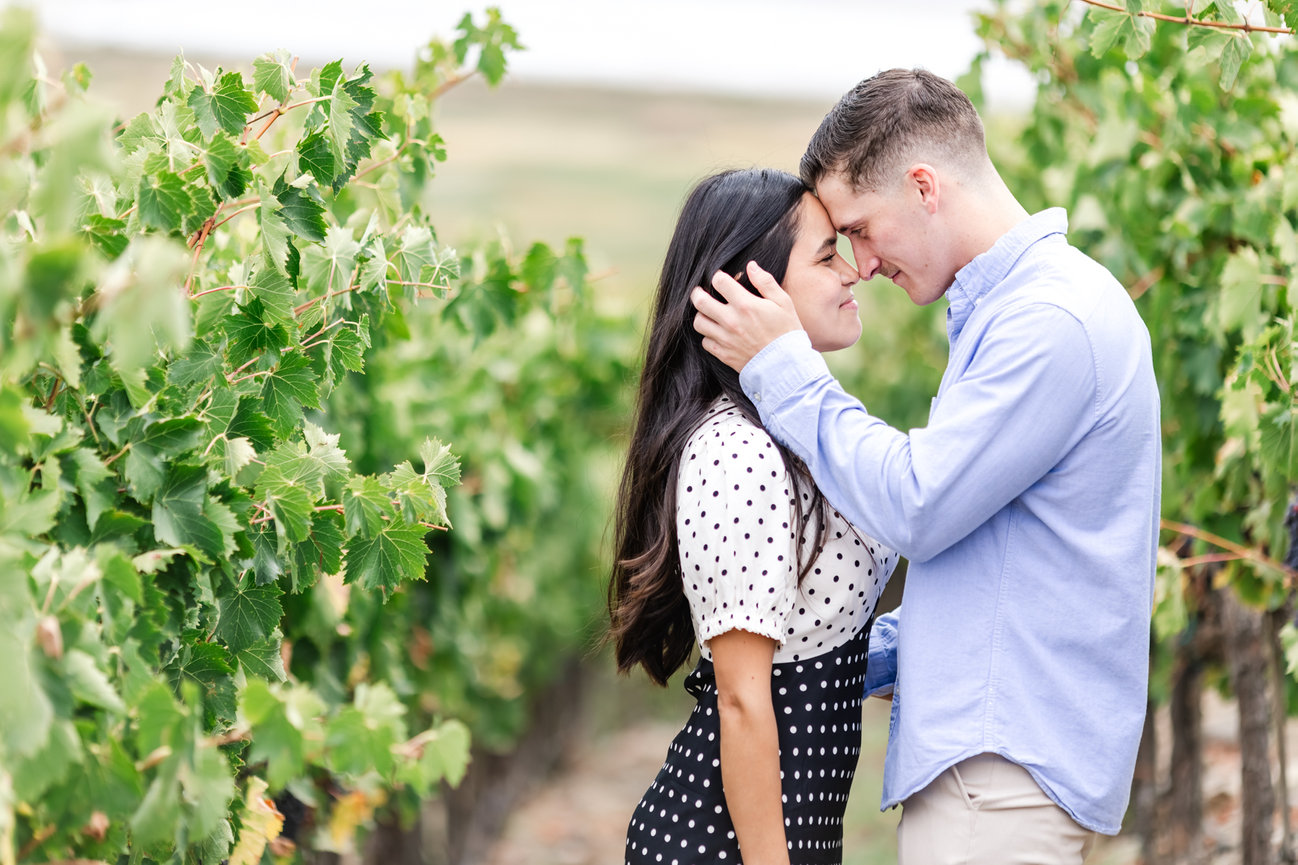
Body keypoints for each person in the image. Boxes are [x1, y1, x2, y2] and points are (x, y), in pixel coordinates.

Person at [690, 69, 1161, 865]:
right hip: (1006, 771)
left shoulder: (1045, 321)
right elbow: (1004, 564)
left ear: (924, 186)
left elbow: (918, 504)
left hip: (998, 783)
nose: (861, 263)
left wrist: (784, 368)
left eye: (862, 229)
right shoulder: (1024, 311)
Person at [609, 167, 898, 865]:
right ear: (751, 287)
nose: (853, 273)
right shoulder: (738, 451)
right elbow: (741, 701)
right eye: (827, 255)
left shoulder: (787, 429)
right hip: (724, 846)